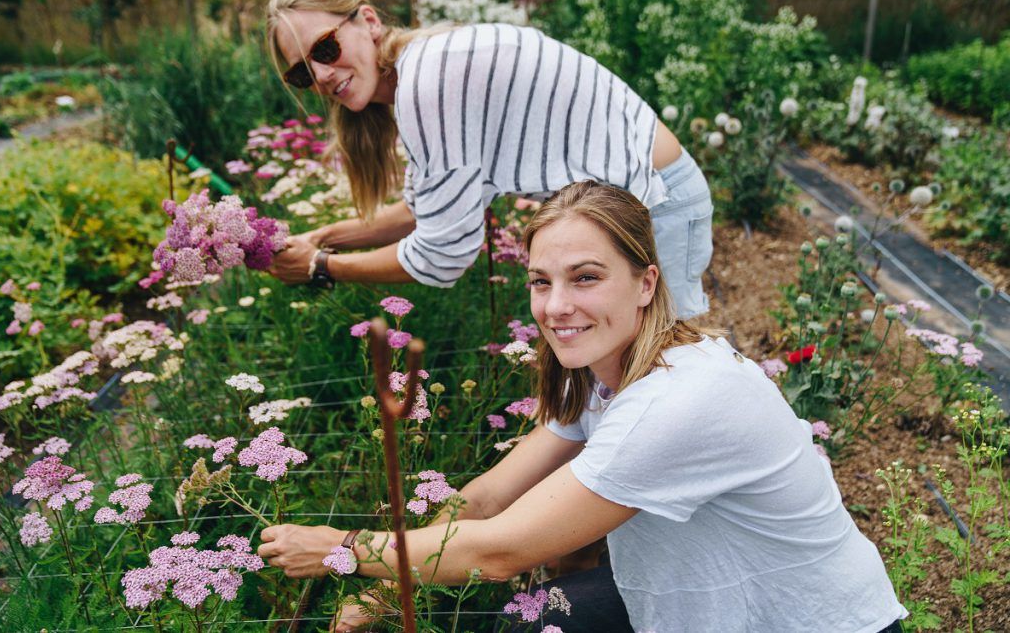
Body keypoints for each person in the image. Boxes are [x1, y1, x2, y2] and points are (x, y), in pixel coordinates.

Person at [257, 181, 908, 632]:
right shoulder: (606, 374)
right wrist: (380, 584)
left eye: (586, 277)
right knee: (539, 619)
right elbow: (485, 501)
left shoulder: (676, 403)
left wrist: (343, 548)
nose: (556, 306)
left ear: (647, 282)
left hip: (805, 622)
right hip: (695, 602)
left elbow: (500, 552)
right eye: (542, 282)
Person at [264, 0, 713, 320]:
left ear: (368, 21)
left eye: (325, 47)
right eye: (303, 73)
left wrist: (321, 267)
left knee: (672, 372)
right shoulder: (423, 68)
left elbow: (443, 257)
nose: (322, 75)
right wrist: (322, 238)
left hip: (657, 206)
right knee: (640, 384)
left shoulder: (428, 80)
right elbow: (421, 212)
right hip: (639, 208)